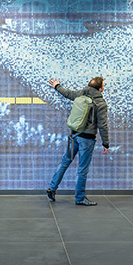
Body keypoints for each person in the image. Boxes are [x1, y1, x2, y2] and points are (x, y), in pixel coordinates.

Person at [46, 76, 110, 206]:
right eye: (103, 85)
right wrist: (106, 143)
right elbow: (103, 125)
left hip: (74, 135)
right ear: (100, 89)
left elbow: (68, 94)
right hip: (87, 139)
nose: (104, 87)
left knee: (65, 161)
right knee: (82, 169)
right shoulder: (101, 104)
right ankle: (80, 198)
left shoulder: (81, 93)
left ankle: (52, 188)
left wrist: (57, 86)